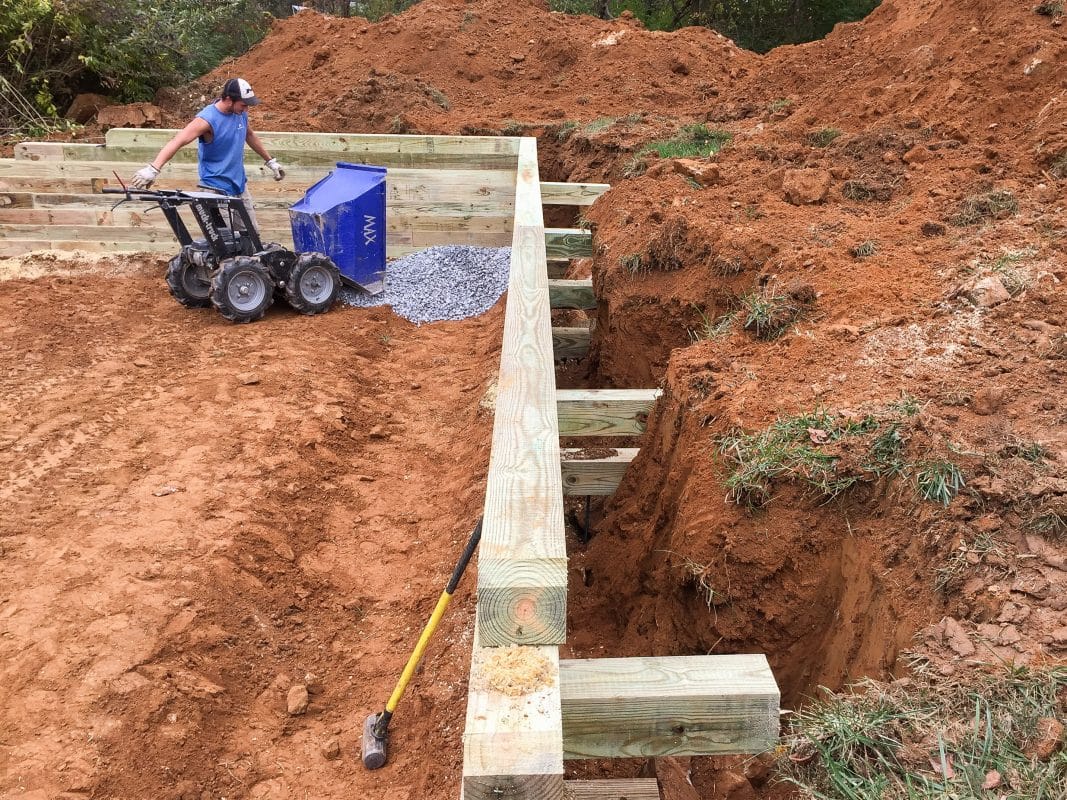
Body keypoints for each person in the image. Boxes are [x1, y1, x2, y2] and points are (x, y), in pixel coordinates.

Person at [129, 77, 285, 233]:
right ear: (229, 99)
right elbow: (178, 141)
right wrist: (153, 169)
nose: (246, 110)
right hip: (214, 190)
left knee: (252, 238)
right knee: (225, 244)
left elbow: (249, 135)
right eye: (243, 105)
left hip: (239, 186)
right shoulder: (207, 119)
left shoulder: (240, 113)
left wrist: (270, 161)